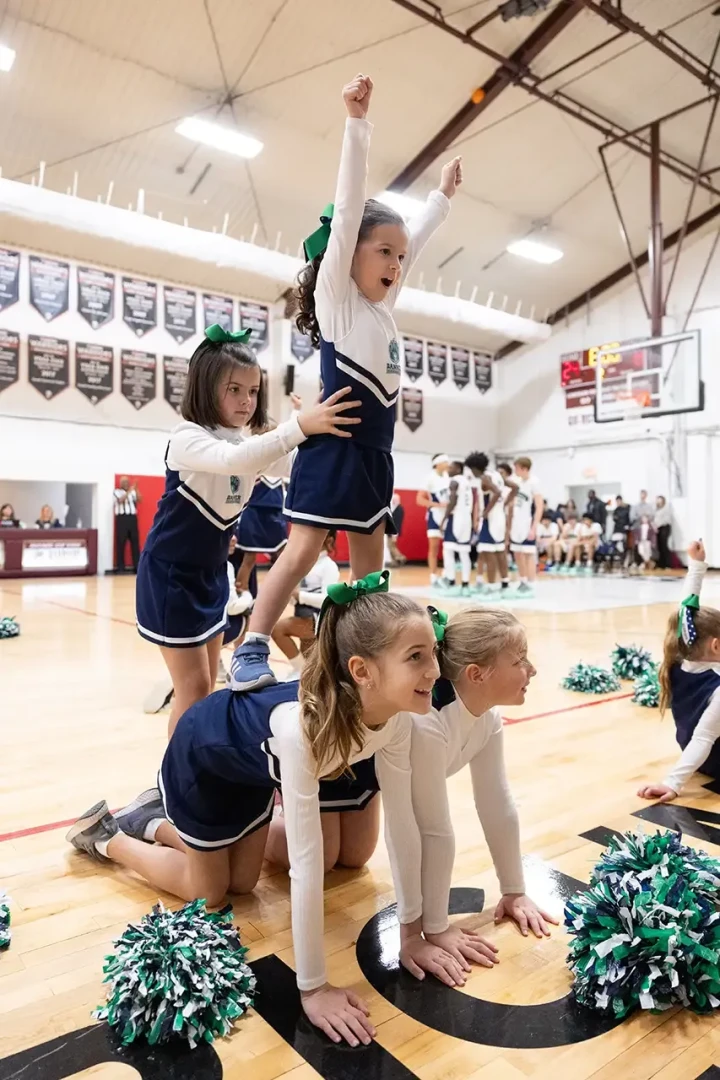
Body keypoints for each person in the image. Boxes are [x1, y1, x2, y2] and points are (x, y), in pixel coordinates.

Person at [68, 577, 454, 1046]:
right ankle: (109, 836)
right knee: (208, 893)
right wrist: (312, 987)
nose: (434, 670)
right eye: (416, 657)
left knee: (244, 884)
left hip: (248, 776)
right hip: (201, 760)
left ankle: (159, 822)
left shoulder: (395, 721)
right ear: (362, 670)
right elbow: (306, 869)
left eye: (431, 652)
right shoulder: (300, 733)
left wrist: (413, 934)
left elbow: (404, 829)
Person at [230, 73, 461, 691]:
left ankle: (360, 656)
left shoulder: (384, 313)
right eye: (382, 251)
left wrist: (440, 202)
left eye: (398, 256)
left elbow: (422, 245)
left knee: (369, 571)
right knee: (302, 550)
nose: (394, 264)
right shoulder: (339, 303)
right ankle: (252, 644)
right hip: (332, 449)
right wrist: (357, 124)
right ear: (346, 253)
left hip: (374, 456)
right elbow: (353, 205)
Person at [134, 322, 356, 737]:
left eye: (252, 392)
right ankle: (175, 780)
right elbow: (240, 459)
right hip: (172, 577)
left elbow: (290, 466)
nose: (246, 400)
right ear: (204, 388)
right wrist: (300, 426)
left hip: (213, 575)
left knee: (207, 687)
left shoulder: (241, 441)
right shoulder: (188, 437)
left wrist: (337, 441)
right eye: (234, 389)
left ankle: (196, 770)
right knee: (195, 685)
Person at [406, 606, 558, 982]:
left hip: (375, 791)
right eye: (521, 661)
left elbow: (495, 801)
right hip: (338, 780)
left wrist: (514, 891)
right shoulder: (429, 722)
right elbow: (430, 831)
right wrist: (435, 927)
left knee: (348, 859)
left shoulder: (487, 716)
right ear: (476, 674)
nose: (533, 669)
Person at [638, 541, 720, 803]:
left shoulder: (675, 662)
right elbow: (705, 737)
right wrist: (672, 783)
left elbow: (686, 613)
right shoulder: (717, 689)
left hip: (700, 757)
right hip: (714, 759)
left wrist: (696, 565)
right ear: (716, 646)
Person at [272, 531, 340, 678]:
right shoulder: (306, 564)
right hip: (301, 613)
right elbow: (295, 596)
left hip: (316, 618)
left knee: (277, 630)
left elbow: (329, 599)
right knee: (310, 657)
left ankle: (302, 672)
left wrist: (299, 596)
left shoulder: (329, 566)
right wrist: (290, 594)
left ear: (328, 540)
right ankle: (308, 676)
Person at [464, 452, 503, 597]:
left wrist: (486, 512)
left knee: (488, 554)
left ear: (475, 468)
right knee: (495, 553)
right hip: (498, 517)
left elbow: (497, 492)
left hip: (490, 519)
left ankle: (492, 587)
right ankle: (500, 584)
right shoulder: (496, 474)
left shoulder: (485, 478)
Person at [437, 459, 474, 597]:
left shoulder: (454, 481)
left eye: (451, 467)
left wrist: (444, 519)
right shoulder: (467, 483)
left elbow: (452, 501)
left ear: (458, 469)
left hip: (456, 518)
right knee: (464, 553)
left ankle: (451, 581)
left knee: (448, 551)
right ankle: (465, 585)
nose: (448, 469)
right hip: (467, 519)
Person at [508, 456, 543, 596]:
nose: (514, 470)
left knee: (528, 554)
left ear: (524, 468)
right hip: (515, 522)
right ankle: (522, 581)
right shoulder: (515, 481)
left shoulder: (534, 482)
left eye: (516, 468)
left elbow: (539, 507)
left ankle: (531, 583)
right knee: (517, 553)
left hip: (527, 522)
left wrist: (534, 527)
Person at [417, 454, 451, 585]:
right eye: (445, 461)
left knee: (448, 548)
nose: (448, 464)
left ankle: (447, 574)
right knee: (434, 547)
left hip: (448, 516)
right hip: (435, 516)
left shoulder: (449, 477)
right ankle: (433, 575)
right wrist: (437, 505)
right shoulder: (430, 478)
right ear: (437, 463)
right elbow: (419, 500)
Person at [496, 462, 517, 589]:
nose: (499, 475)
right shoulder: (497, 487)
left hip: (506, 523)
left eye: (502, 473)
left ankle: (506, 580)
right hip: (496, 522)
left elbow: (510, 511)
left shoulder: (510, 489)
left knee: (503, 553)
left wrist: (508, 531)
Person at [114, 476, 142, 572]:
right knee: (121, 543)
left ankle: (137, 566)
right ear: (121, 483)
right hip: (122, 519)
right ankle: (120, 567)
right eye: (124, 482)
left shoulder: (132, 492)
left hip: (132, 519)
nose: (126, 483)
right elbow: (120, 500)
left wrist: (136, 488)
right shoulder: (116, 492)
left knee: (135, 542)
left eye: (127, 482)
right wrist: (130, 490)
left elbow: (140, 500)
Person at [654, 495, 672, 570]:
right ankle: (661, 564)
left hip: (664, 527)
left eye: (660, 500)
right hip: (658, 529)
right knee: (659, 546)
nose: (659, 501)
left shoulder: (666, 509)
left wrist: (658, 525)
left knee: (664, 546)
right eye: (657, 500)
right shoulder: (656, 509)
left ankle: (667, 564)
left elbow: (666, 520)